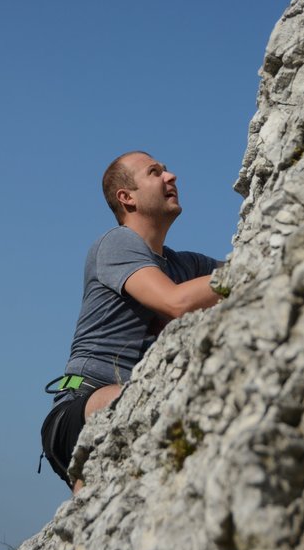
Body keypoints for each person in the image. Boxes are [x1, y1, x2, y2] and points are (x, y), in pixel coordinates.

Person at [41, 150, 222, 492]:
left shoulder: (184, 265)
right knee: (146, 402)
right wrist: (240, 274)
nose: (171, 177)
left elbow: (250, 259)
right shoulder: (117, 243)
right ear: (127, 198)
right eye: (155, 172)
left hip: (129, 396)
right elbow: (176, 302)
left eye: (166, 170)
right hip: (79, 406)